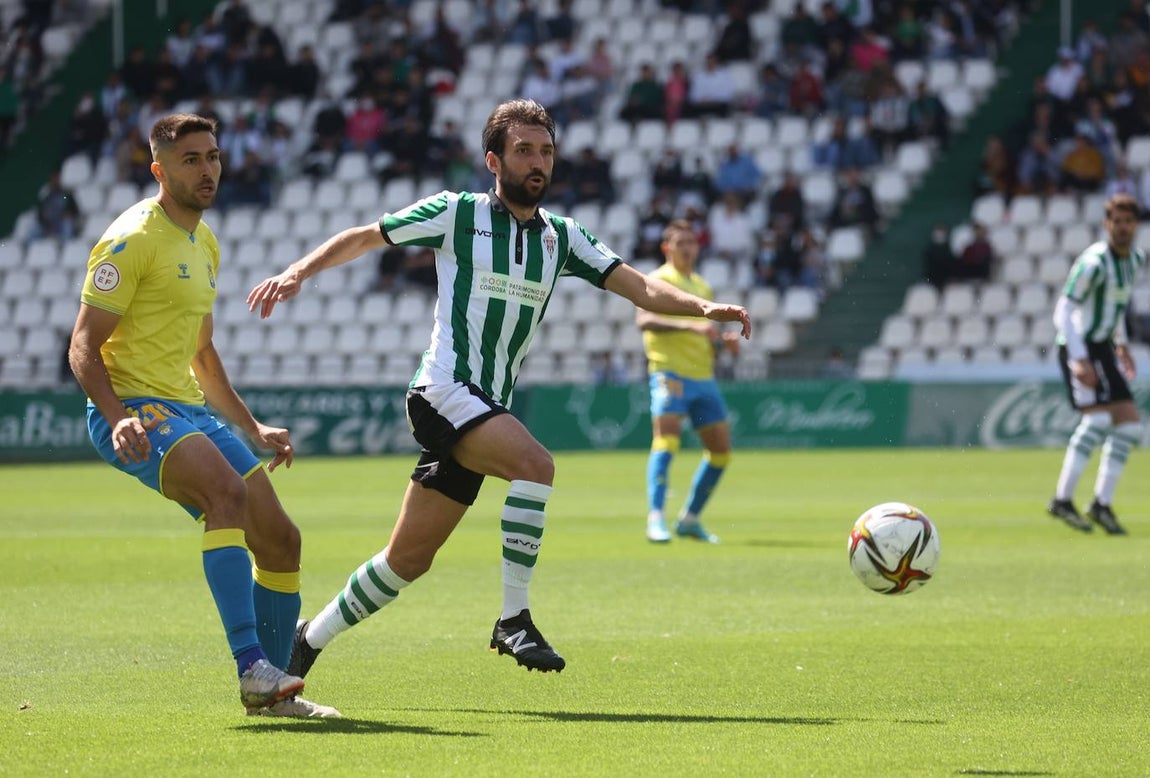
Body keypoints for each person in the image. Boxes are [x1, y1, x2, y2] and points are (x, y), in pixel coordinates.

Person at [245, 99, 751, 685]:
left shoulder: (563, 237)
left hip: (482, 405)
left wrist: (703, 309)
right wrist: (298, 272)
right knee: (536, 465)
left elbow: (639, 287)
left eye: (546, 151)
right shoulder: (456, 213)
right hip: (442, 389)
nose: (538, 162)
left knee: (406, 560)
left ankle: (306, 640)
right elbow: (366, 237)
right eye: (524, 151)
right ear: (493, 160)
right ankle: (514, 618)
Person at [67, 113, 338, 719]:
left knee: (282, 540)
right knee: (226, 495)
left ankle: (273, 693)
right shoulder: (131, 239)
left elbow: (203, 354)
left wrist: (252, 426)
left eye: (212, 156)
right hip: (134, 409)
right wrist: (116, 415)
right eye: (190, 159)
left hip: (187, 408)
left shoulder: (205, 241)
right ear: (159, 170)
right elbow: (82, 345)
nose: (207, 168)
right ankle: (251, 666)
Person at [637, 220, 742, 545]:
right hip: (669, 373)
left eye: (691, 242)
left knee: (721, 452)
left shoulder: (702, 287)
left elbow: (708, 339)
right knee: (666, 441)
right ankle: (656, 517)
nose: (686, 248)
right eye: (680, 242)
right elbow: (644, 320)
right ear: (666, 248)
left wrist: (724, 344)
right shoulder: (657, 280)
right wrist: (691, 326)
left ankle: (690, 519)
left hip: (703, 377)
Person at [1047, 193, 1145, 536]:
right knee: (1099, 420)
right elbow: (1064, 310)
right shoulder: (1094, 262)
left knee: (1130, 427)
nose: (1122, 227)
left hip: (1104, 347)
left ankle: (1101, 505)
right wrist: (1078, 359)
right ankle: (1062, 499)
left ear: (1136, 224)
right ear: (1107, 224)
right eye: (1116, 221)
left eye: (1128, 221)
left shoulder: (1135, 259)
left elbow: (1115, 306)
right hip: (1079, 347)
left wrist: (1121, 343)